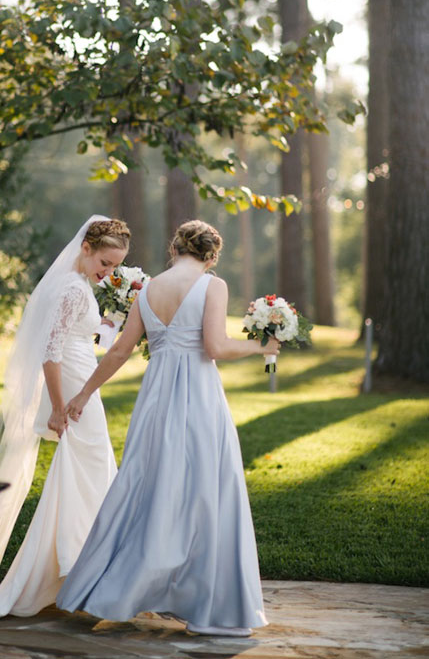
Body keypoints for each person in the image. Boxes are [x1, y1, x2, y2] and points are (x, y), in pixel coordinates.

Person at [57, 220, 279, 636]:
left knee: (147, 488)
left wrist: (84, 394)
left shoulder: (149, 289)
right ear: (211, 255)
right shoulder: (213, 286)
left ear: (174, 248)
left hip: (156, 401)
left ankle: (112, 588)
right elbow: (215, 347)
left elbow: (121, 350)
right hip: (199, 398)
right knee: (206, 492)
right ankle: (205, 601)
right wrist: (261, 347)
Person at [0, 216, 130, 619]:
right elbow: (49, 352)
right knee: (90, 470)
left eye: (114, 267)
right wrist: (60, 407)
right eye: (105, 262)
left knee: (83, 473)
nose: (108, 272)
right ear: (87, 247)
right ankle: (84, 569)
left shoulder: (74, 286)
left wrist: (104, 325)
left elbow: (70, 335)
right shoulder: (73, 290)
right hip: (74, 394)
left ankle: (76, 569)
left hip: (80, 386)